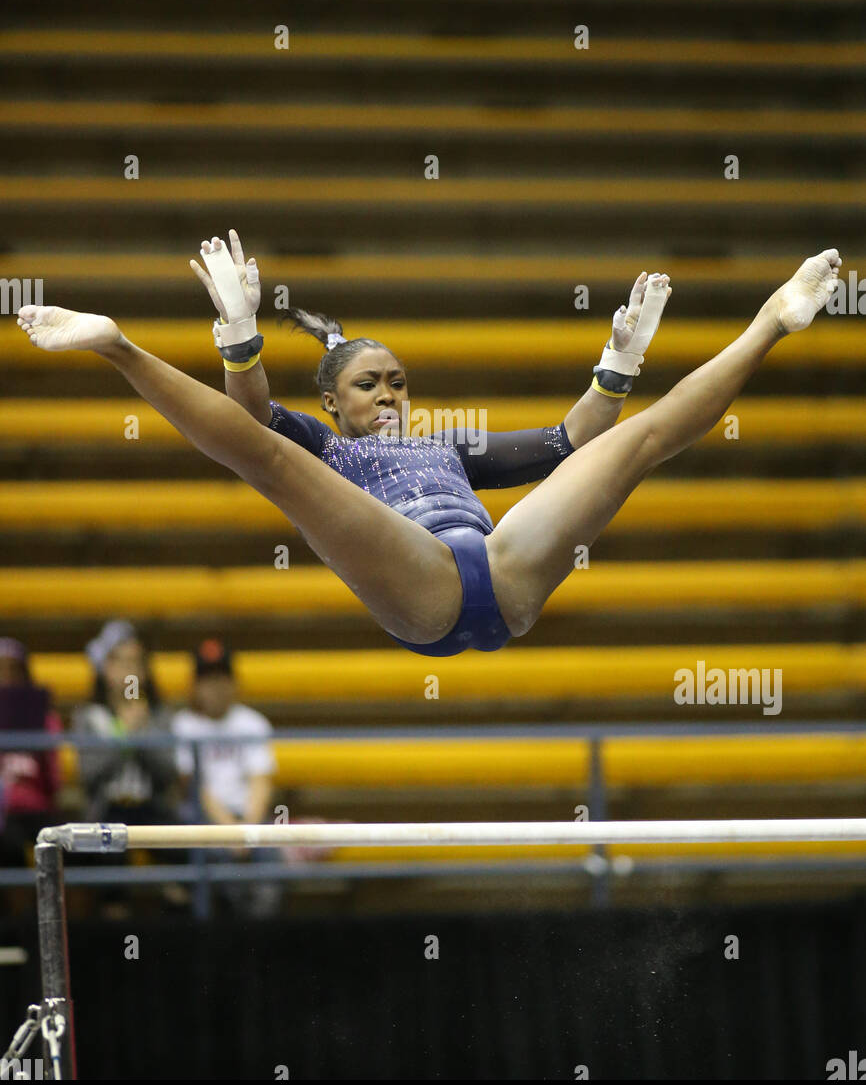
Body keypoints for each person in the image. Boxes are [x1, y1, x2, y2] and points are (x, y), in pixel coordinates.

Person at [16, 235, 841, 661]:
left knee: (640, 441)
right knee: (271, 465)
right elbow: (253, 422)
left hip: (502, 570)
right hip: (419, 594)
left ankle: (771, 320)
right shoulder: (322, 445)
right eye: (369, 385)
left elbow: (568, 442)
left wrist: (618, 363)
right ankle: (117, 346)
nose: (388, 396)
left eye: (398, 382)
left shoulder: (450, 447)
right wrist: (240, 338)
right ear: (332, 402)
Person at [71, 619, 184, 916]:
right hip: (107, 809)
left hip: (150, 808)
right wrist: (125, 737)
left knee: (185, 852)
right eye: (120, 662)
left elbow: (166, 773)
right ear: (104, 669)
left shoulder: (159, 714)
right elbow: (89, 775)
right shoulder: (88, 715)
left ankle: (176, 921)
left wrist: (142, 734)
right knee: (108, 857)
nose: (128, 672)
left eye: (135, 663)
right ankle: (116, 927)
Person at [172, 637, 281, 917]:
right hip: (204, 817)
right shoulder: (184, 725)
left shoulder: (252, 723)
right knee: (218, 866)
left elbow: (261, 781)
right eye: (208, 679)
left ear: (234, 683)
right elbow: (194, 786)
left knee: (270, 857)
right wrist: (230, 829)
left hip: (248, 817)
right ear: (195, 686)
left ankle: (262, 941)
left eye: (221, 678)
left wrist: (247, 830)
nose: (216, 687)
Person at [0, 637, 62, 880]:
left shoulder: (45, 719)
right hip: (4, 815)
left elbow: (55, 781)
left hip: (37, 808)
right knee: (8, 844)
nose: (6, 679)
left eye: (12, 670)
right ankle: (13, 915)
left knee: (68, 842)